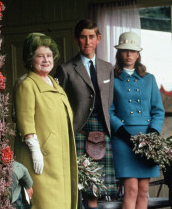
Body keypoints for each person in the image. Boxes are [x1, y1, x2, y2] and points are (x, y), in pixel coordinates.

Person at [54, 19, 116, 209]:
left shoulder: (108, 68)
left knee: (97, 191)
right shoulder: (65, 69)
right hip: (79, 133)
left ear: (99, 39)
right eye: (83, 37)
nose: (87, 42)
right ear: (76, 39)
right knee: (80, 188)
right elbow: (59, 106)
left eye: (91, 37)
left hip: (103, 133)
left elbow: (110, 101)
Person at [13, 33, 78, 209]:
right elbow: (25, 120)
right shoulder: (27, 84)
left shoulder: (55, 85)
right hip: (41, 162)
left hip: (59, 161)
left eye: (49, 56)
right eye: (40, 56)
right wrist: (35, 150)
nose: (46, 60)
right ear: (30, 59)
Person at [109, 31, 165, 209]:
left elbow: (158, 110)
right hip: (123, 139)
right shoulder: (112, 79)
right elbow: (108, 111)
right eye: (124, 50)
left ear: (138, 54)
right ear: (119, 53)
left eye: (132, 51)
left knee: (143, 190)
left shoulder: (149, 79)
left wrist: (152, 134)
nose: (128, 54)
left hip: (146, 139)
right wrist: (124, 134)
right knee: (131, 189)